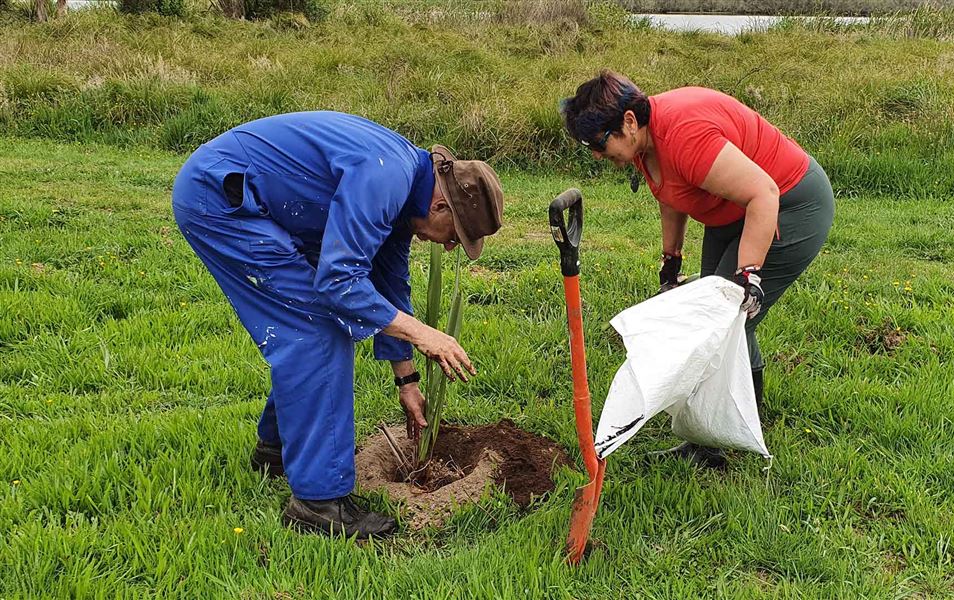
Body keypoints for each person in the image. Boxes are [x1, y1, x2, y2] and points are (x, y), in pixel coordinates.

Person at [172, 111, 504, 537]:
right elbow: (338, 283)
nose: (450, 245)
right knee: (318, 331)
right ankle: (318, 502)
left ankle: (275, 452)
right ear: (440, 205)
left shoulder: (404, 189)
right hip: (222, 201)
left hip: (255, 202)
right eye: (454, 234)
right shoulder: (384, 178)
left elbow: (389, 283)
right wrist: (425, 334)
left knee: (315, 326)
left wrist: (408, 379)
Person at [561, 71, 834, 469]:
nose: (598, 156)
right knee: (712, 317)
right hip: (733, 211)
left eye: (600, 144)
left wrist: (749, 275)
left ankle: (725, 441)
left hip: (790, 204)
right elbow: (671, 193)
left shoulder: (685, 136)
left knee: (727, 321)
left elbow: (764, 193)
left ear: (629, 122)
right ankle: (713, 435)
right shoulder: (644, 144)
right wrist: (671, 261)